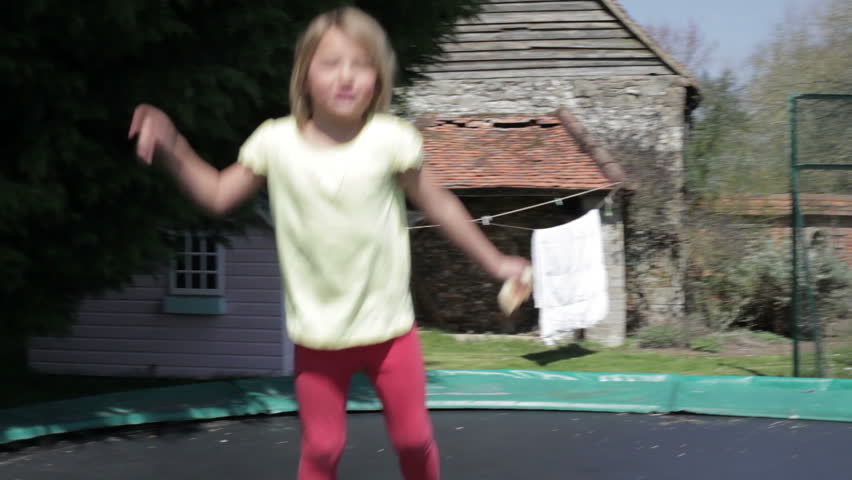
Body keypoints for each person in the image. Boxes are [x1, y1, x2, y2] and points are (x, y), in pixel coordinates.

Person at [128, 6, 530, 479]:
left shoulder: (390, 140)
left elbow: (440, 205)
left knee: (413, 437)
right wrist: (174, 145)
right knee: (322, 448)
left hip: (389, 332)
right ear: (304, 76)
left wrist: (496, 262)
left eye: (361, 65)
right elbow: (217, 194)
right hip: (318, 338)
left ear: (378, 81)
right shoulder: (275, 143)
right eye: (331, 63)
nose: (346, 77)